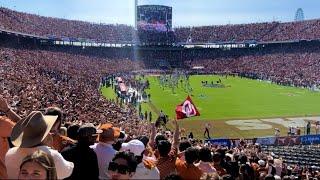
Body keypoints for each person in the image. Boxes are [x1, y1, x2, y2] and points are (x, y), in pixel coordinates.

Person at [5, 111, 74, 179]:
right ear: (45, 135)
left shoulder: (10, 153)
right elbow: (67, 172)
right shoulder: (52, 155)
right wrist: (50, 148)